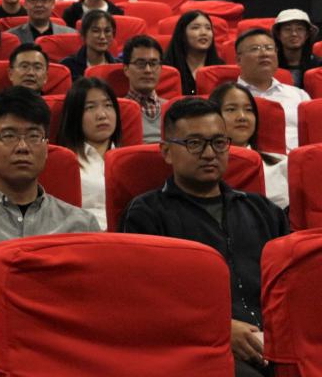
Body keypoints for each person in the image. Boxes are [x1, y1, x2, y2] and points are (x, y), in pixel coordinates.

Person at [0, 87, 99, 374]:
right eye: (9, 135)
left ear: (46, 146)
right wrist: (7, 324)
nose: (23, 147)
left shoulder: (81, 224)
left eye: (34, 136)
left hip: (66, 354)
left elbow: (96, 302)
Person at [122, 97, 289, 377]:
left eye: (219, 142)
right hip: (201, 346)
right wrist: (219, 329)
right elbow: (145, 299)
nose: (210, 153)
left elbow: (290, 283)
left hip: (278, 340)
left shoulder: (262, 210)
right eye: (194, 143)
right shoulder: (146, 213)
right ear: (166, 152)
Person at [209, 83, 289, 208]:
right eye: (231, 109)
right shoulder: (204, 166)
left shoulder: (282, 164)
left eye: (249, 110)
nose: (242, 117)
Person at [57, 77, 122, 230]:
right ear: (74, 115)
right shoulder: (64, 162)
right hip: (83, 235)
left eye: (108, 105)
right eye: (90, 107)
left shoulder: (128, 161)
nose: (102, 115)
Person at [235, 27, 310, 151]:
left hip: (301, 158)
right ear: (239, 60)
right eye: (255, 49)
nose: (264, 54)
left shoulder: (298, 95)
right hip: (254, 159)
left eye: (269, 48)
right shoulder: (228, 98)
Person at [164, 10, 225, 96]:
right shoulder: (167, 68)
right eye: (195, 28)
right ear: (182, 34)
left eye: (208, 28)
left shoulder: (220, 68)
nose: (204, 33)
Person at [122, 35, 166, 143]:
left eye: (153, 64)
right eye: (140, 64)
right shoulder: (118, 111)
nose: (148, 70)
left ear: (161, 69)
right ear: (126, 69)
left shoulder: (172, 108)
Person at [8, 0, 76, 44]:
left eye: (44, 0)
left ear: (53, 3)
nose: (39, 5)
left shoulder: (70, 34)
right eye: (33, 0)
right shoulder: (11, 37)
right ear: (25, 4)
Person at [61, 10, 117, 79]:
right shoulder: (68, 66)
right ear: (84, 34)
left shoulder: (119, 66)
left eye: (107, 31)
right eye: (96, 31)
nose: (102, 36)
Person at [272, 8, 318, 87]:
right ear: (278, 35)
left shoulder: (317, 64)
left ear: (307, 35)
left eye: (299, 29)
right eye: (287, 29)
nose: (294, 34)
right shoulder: (270, 65)